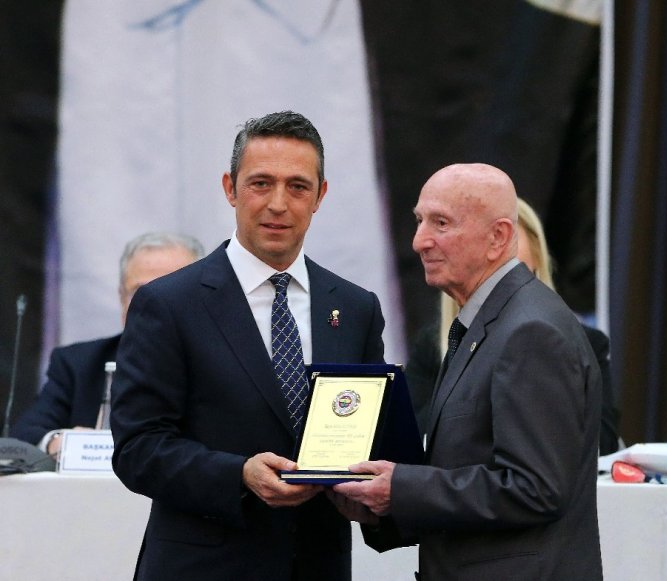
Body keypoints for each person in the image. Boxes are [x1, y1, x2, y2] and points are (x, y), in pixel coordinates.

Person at [110, 111, 385, 581]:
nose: (278, 203)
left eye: (297, 187)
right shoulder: (169, 303)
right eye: (261, 183)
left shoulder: (356, 308)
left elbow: (369, 433)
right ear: (230, 188)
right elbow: (138, 447)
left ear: (320, 196)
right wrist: (238, 474)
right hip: (203, 568)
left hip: (317, 565)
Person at [332, 163, 603, 580]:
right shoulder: (485, 324)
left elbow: (535, 489)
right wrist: (382, 506)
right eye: (419, 221)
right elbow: (468, 470)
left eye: (441, 223)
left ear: (498, 238)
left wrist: (401, 488)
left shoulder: (530, 331)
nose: (419, 241)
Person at [406, 197, 621, 454]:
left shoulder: (582, 343)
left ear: (538, 264)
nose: (502, 288)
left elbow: (601, 443)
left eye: (512, 272)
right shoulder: (433, 347)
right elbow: (410, 440)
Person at [10, 232, 204, 456]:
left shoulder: (226, 361)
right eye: (140, 292)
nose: (156, 305)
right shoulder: (78, 364)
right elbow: (24, 435)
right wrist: (60, 443)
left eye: (171, 290)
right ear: (121, 297)